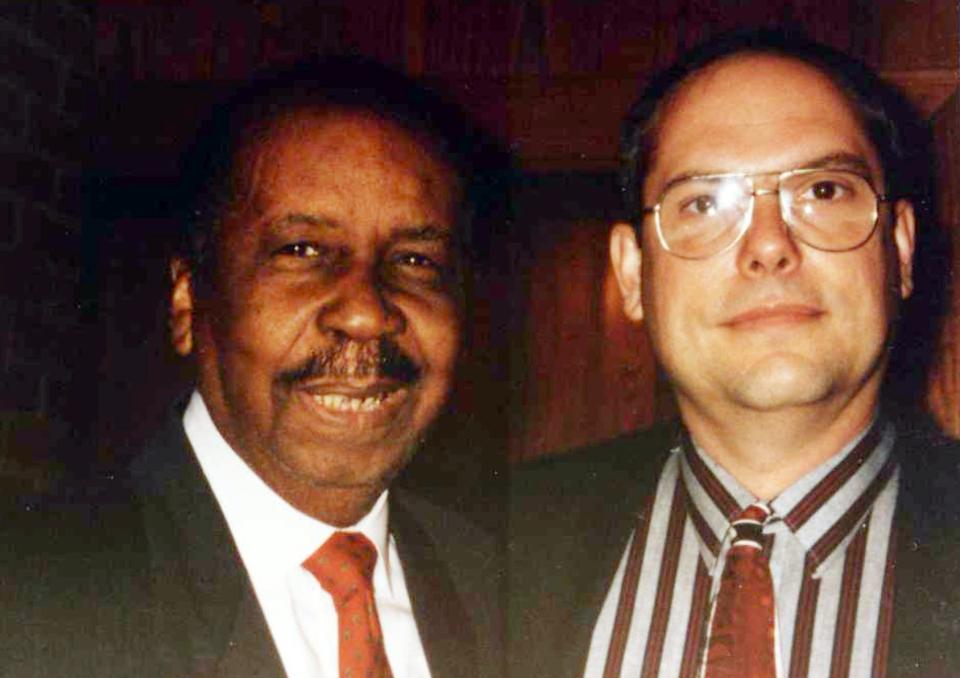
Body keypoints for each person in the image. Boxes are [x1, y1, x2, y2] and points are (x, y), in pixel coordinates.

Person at [10, 57, 502, 678]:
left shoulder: (509, 591)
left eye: (415, 260)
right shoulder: (35, 597)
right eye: (303, 251)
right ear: (189, 302)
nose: (366, 313)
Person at [509, 30, 960, 678]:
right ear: (633, 275)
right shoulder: (494, 546)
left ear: (901, 250)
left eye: (824, 191)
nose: (769, 245)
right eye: (703, 203)